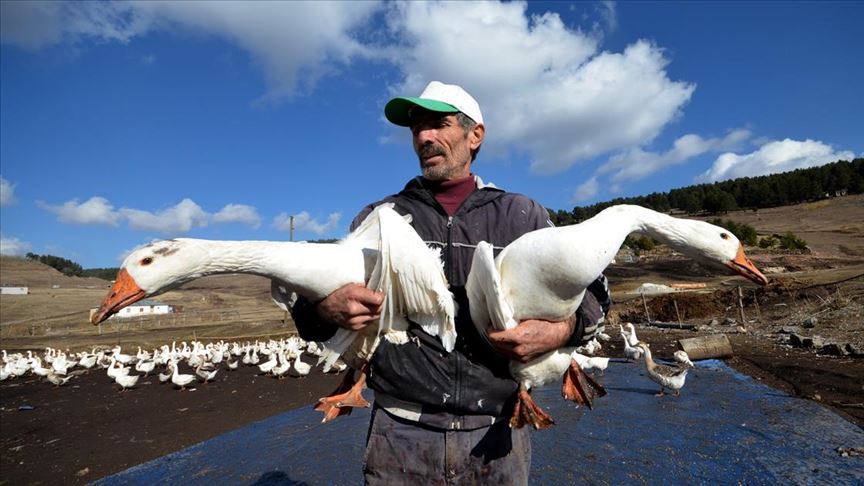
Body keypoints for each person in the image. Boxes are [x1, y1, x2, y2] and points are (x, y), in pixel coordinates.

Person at [292, 81, 611, 484]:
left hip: (496, 434)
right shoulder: (379, 219)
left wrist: (560, 330)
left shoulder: (522, 217)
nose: (424, 137)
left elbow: (598, 293)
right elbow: (308, 312)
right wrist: (324, 309)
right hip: (401, 434)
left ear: (475, 134)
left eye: (438, 124)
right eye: (416, 129)